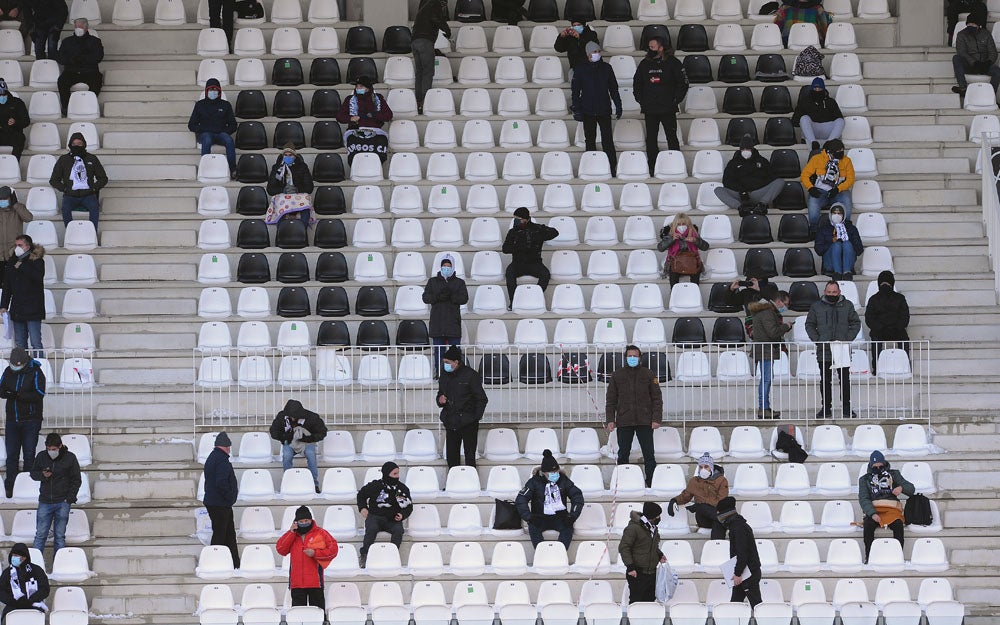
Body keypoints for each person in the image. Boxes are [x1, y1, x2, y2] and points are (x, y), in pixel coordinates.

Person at [606, 345, 663, 488]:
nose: (632, 358)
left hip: (645, 421)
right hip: (624, 421)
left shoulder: (648, 374)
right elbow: (611, 400)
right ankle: (625, 481)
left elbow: (657, 398)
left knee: (649, 454)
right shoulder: (617, 375)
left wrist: (656, 418)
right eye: (629, 356)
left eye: (635, 356)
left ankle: (651, 482)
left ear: (640, 358)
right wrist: (610, 420)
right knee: (623, 454)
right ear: (626, 358)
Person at [805, 280, 861, 418]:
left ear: (839, 292)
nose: (831, 294)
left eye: (834, 292)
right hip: (824, 348)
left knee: (845, 380)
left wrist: (847, 339)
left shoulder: (847, 305)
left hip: (842, 349)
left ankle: (847, 409)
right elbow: (809, 324)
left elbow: (855, 322)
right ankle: (826, 408)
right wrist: (817, 340)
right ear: (824, 292)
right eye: (829, 292)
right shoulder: (816, 307)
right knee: (825, 380)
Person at [632, 36, 689, 170]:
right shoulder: (644, 64)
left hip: (668, 108)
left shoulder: (673, 63)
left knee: (672, 137)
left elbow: (683, 82)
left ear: (661, 48)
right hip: (650, 108)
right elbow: (637, 83)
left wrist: (676, 99)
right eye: (649, 47)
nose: (650, 49)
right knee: (651, 139)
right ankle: (653, 165)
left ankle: (676, 165)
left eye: (652, 47)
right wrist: (640, 99)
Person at [515, 450, 584, 549]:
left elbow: (577, 496)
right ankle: (541, 554)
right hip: (539, 517)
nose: (554, 474)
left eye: (556, 471)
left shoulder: (563, 480)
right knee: (533, 527)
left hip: (560, 517)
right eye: (551, 472)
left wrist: (572, 516)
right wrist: (529, 517)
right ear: (543, 472)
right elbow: (521, 499)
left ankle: (561, 554)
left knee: (568, 527)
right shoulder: (534, 482)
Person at [571, 42, 622, 177]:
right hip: (587, 110)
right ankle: (592, 167)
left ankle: (612, 167)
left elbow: (613, 89)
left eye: (598, 51)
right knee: (590, 140)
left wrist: (618, 105)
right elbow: (575, 91)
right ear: (588, 54)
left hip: (604, 109)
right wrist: (576, 108)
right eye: (594, 51)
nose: (597, 54)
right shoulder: (580, 69)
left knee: (607, 140)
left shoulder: (607, 68)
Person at [1, 348, 45, 500]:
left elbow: (39, 393)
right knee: (11, 455)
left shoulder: (36, 372)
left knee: (29, 455)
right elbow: (1, 389)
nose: (15, 367)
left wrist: (19, 395)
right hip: (13, 420)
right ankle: (11, 486)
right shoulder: (8, 371)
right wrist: (7, 393)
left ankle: (27, 485)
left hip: (31, 420)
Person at [275, 506, 338, 610]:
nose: (304, 523)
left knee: (318, 615)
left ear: (311, 520)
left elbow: (333, 550)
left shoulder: (321, 533)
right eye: (301, 521)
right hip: (297, 584)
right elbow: (281, 549)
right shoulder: (292, 534)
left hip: (315, 583)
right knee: (299, 617)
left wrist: (315, 553)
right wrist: (291, 533)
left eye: (306, 520)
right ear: (296, 522)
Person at [30, 432, 81, 556]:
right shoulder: (41, 456)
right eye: (49, 449)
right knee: (40, 535)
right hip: (45, 501)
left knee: (59, 536)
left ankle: (59, 565)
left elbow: (76, 480)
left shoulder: (70, 458)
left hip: (63, 502)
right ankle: (36, 565)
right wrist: (42, 475)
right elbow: (33, 473)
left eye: (54, 449)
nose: (51, 451)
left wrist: (69, 498)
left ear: (60, 446)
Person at [859, 450, 915, 562]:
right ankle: (869, 557)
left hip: (892, 509)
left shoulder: (894, 474)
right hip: (874, 509)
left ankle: (898, 556)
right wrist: (872, 513)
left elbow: (911, 489)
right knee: (868, 525)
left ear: (884, 464)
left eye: (881, 466)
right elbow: (864, 498)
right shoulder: (864, 479)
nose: (878, 468)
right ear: (871, 466)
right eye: (875, 467)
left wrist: (901, 488)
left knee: (898, 525)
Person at [437, 346, 488, 468]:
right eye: (444, 362)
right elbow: (440, 394)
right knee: (452, 456)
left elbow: (482, 399)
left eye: (447, 363)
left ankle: (471, 482)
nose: (445, 365)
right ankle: (453, 482)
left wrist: (475, 417)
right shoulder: (444, 375)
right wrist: (440, 400)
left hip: (468, 421)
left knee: (469, 455)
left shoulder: (471, 375)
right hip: (450, 420)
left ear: (456, 362)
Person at [356, 461, 413, 568]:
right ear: (387, 474)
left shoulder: (401, 489)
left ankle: (393, 556)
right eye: (394, 474)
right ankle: (365, 555)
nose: (397, 476)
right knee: (371, 528)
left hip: (392, 519)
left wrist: (402, 515)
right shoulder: (375, 486)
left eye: (398, 473)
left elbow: (408, 507)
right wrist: (363, 508)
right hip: (375, 516)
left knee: (398, 530)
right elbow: (361, 495)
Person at [422, 254, 469, 378]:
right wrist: (438, 296)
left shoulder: (459, 282)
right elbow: (425, 298)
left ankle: (456, 374)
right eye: (444, 266)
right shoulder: (432, 281)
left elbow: (464, 298)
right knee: (439, 352)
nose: (446, 268)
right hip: (437, 324)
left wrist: (452, 296)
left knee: (455, 352)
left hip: (453, 324)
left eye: (448, 266)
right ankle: (440, 374)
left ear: (452, 267)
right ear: (441, 267)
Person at [49, 132, 107, 231]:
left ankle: (92, 233)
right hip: (70, 195)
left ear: (84, 144)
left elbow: (103, 178)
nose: (76, 146)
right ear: (70, 145)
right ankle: (70, 233)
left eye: (79, 144)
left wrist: (93, 188)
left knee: (94, 208)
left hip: (88, 195)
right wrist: (65, 189)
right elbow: (54, 180)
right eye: (74, 144)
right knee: (65, 209)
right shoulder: (63, 159)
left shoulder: (92, 158)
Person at [501, 207, 560, 304]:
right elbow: (505, 249)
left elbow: (554, 232)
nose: (516, 221)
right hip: (518, 263)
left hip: (534, 263)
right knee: (509, 273)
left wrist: (538, 236)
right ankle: (514, 301)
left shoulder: (537, 229)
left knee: (545, 274)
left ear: (526, 219)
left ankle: (535, 297)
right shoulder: (513, 232)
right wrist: (519, 246)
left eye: (519, 219)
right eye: (515, 219)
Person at [715, 135, 785, 214]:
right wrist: (742, 191)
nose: (745, 151)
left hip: (757, 193)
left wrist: (756, 185)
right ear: (740, 150)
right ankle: (741, 208)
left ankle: (761, 205)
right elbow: (727, 181)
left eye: (747, 149)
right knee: (718, 190)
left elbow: (771, 177)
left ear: (752, 149)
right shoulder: (733, 163)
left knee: (780, 182)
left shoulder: (762, 161)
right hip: (740, 196)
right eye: (743, 149)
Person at [269, 399, 327, 494]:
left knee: (311, 454)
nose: (293, 418)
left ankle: (314, 484)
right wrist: (284, 436)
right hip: (290, 442)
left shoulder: (312, 417)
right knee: (287, 455)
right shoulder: (281, 417)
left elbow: (322, 432)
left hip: (306, 442)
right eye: (291, 416)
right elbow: (274, 432)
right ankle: (287, 482)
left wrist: (309, 438)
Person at [667, 453, 730, 539]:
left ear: (711, 467)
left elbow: (722, 502)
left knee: (718, 521)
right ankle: (728, 523)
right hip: (703, 518)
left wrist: (700, 505)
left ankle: (715, 547)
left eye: (706, 466)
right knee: (717, 517)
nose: (703, 469)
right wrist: (674, 500)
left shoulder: (721, 480)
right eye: (701, 467)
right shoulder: (694, 481)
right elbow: (685, 496)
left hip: (716, 514)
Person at [750, 290, 791, 419]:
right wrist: (786, 326)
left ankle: (765, 407)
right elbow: (773, 332)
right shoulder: (768, 313)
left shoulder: (764, 311)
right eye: (785, 304)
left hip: (764, 349)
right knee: (766, 380)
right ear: (778, 301)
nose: (786, 307)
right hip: (765, 350)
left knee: (766, 379)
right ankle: (763, 408)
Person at [1, 237, 45, 354]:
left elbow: (38, 277)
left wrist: (22, 265)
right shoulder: (12, 262)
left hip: (33, 308)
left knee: (36, 342)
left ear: (28, 246)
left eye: (20, 245)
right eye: (16, 245)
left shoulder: (37, 261)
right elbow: (7, 286)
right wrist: (3, 305)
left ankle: (38, 369)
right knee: (20, 343)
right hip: (17, 308)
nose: (17, 248)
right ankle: (22, 369)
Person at [715, 497, 762, 607]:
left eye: (719, 512)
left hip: (748, 573)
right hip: (746, 572)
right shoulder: (737, 525)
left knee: (756, 605)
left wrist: (737, 573)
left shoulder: (738, 527)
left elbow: (742, 552)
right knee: (735, 605)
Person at [202, 432, 240, 568]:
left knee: (228, 533)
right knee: (221, 534)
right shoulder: (222, 460)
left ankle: (233, 563)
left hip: (216, 502)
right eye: (228, 446)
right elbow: (222, 482)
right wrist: (230, 497)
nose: (229, 449)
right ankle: (215, 562)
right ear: (225, 446)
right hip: (220, 504)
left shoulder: (213, 457)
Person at [801, 138, 855, 232]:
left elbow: (850, 179)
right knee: (813, 202)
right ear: (830, 152)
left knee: (846, 199)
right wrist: (810, 188)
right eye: (838, 151)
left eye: (842, 151)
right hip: (820, 190)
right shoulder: (817, 159)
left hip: (838, 190)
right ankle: (813, 229)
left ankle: (846, 227)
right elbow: (804, 175)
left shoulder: (847, 161)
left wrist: (838, 189)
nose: (841, 153)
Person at [188, 78, 237, 179]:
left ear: (219, 91)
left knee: (228, 139)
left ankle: (233, 170)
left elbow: (233, 125)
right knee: (207, 139)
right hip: (205, 134)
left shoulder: (225, 105)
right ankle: (205, 170)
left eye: (215, 90)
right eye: (210, 90)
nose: (213, 92)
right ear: (206, 91)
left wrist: (224, 131)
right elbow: (191, 125)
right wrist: (203, 129)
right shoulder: (200, 105)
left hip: (220, 134)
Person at [618, 502, 666, 604]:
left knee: (649, 604)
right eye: (658, 515)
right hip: (637, 573)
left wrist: (659, 555)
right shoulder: (633, 528)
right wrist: (630, 567)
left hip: (651, 573)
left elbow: (651, 546)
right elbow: (624, 547)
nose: (659, 518)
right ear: (652, 516)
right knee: (637, 603)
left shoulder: (652, 527)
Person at [865, 270, 910, 376]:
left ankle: (905, 365)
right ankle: (876, 367)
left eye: (888, 283)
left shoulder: (900, 298)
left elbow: (905, 317)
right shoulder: (873, 299)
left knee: (904, 339)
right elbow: (869, 318)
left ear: (892, 284)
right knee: (875, 339)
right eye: (882, 283)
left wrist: (896, 327)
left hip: (897, 330)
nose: (885, 286)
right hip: (879, 330)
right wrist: (880, 327)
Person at [56, 18, 104, 116]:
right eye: (76, 26)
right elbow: (60, 58)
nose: (78, 28)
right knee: (62, 81)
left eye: (80, 27)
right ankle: (66, 107)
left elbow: (98, 57)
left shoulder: (95, 41)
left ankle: (89, 105)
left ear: (86, 28)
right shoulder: (67, 42)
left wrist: (81, 59)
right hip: (71, 71)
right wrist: (71, 60)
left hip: (89, 71)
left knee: (97, 81)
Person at [411, 0, 451, 115]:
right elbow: (437, 18)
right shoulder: (435, 3)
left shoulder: (424, 6)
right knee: (428, 72)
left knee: (420, 72)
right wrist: (447, 30)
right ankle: (425, 101)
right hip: (425, 40)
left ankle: (418, 100)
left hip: (414, 41)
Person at [264, 144, 314, 227]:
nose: (288, 157)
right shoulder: (277, 168)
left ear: (294, 156)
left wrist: (297, 189)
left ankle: (303, 231)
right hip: (283, 196)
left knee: (306, 201)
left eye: (290, 155)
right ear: (282, 156)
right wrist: (283, 190)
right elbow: (270, 189)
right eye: (285, 155)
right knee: (280, 202)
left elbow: (309, 187)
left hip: (298, 196)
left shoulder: (302, 167)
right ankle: (282, 232)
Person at [952, 15, 1000, 96]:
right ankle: (963, 87)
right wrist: (974, 63)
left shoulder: (986, 34)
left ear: (978, 25)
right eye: (969, 24)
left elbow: (993, 52)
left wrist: (988, 63)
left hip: (985, 64)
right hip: (970, 65)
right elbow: (962, 52)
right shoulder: (961, 35)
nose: (971, 26)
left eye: (973, 24)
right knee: (956, 58)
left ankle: (991, 95)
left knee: (997, 71)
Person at [792, 78, 844, 152]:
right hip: (812, 130)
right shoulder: (804, 102)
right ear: (811, 89)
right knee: (804, 118)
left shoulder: (830, 101)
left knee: (841, 121)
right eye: (815, 88)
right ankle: (813, 142)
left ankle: (829, 143)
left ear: (823, 90)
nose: (817, 90)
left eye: (819, 88)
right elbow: (795, 121)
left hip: (827, 129)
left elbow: (838, 118)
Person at [657, 213, 709, 286]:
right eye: (679, 224)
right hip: (675, 261)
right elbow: (660, 248)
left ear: (688, 224)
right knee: (673, 275)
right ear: (675, 225)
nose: (681, 226)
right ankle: (674, 293)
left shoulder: (694, 233)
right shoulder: (671, 233)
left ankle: (695, 293)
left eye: (684, 224)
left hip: (691, 261)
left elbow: (706, 247)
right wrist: (671, 239)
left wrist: (695, 240)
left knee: (695, 273)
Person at [0, 543, 49, 620]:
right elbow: (1, 591)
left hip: (33, 603)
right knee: (7, 617)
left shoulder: (36, 570)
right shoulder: (7, 573)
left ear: (24, 557)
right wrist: (13, 601)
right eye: (13, 555)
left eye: (17, 556)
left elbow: (44, 589)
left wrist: (31, 599)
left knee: (37, 617)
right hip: (13, 605)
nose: (14, 558)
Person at [814, 203, 863, 280]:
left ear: (844, 215)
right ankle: (837, 273)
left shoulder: (851, 228)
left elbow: (859, 250)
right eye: (834, 213)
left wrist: (847, 241)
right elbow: (818, 250)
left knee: (847, 244)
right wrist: (831, 241)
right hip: (830, 263)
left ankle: (847, 272)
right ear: (830, 214)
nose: (836, 215)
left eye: (839, 213)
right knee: (836, 245)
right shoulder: (823, 229)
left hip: (848, 262)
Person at [0, 186, 32, 271]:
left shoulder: (18, 209)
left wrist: (16, 205)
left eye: (5, 198)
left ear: (11, 198)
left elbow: (28, 218)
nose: (2, 201)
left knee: (13, 281)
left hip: (14, 253)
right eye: (1, 198)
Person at [0, 80, 29, 161]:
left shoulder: (17, 102)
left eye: (3, 94)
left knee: (20, 138)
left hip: (13, 134)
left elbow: (26, 121)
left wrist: (15, 122)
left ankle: (14, 164)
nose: (1, 96)